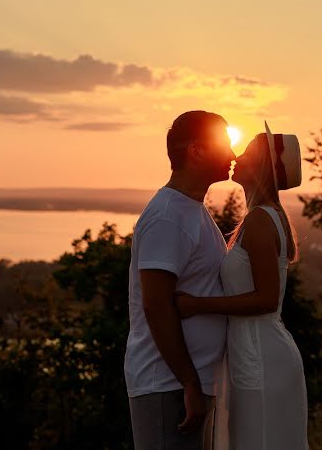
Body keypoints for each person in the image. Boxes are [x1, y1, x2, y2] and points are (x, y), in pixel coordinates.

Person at [175, 122, 309, 449]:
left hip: (260, 354)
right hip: (253, 350)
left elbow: (265, 299)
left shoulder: (262, 219)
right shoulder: (262, 217)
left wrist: (196, 304)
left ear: (263, 166)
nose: (238, 155)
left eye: (248, 151)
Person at [125, 110, 236, 450]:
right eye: (224, 144)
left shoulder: (192, 210)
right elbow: (156, 305)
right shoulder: (168, 215)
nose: (232, 154)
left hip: (190, 383)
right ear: (196, 151)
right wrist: (188, 382)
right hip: (167, 384)